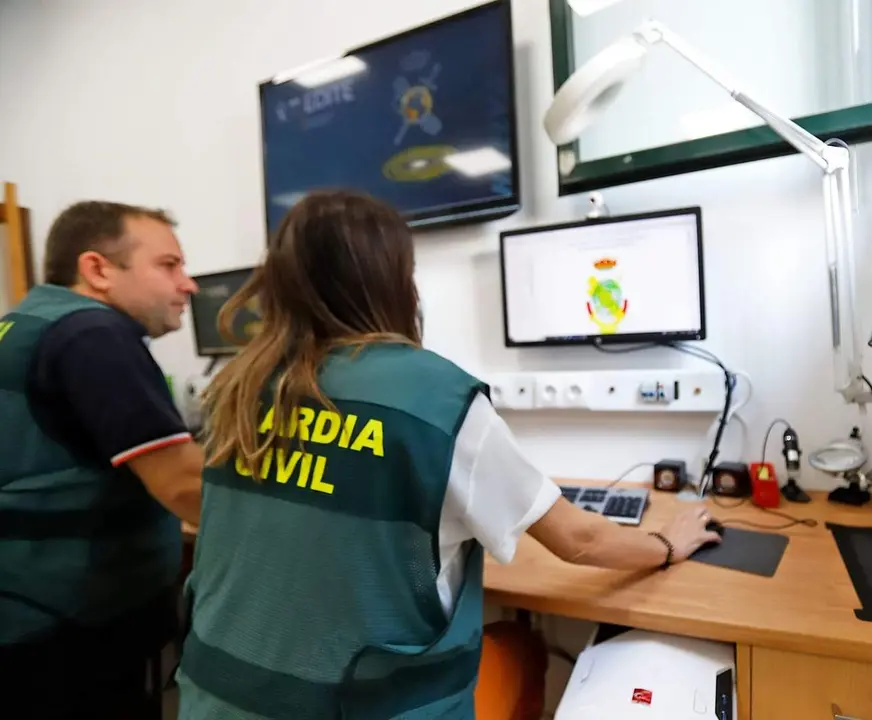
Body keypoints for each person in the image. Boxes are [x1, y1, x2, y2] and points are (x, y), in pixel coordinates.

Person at [177, 190, 721, 720]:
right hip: (354, 706)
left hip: (214, 697)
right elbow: (578, 541)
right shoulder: (433, 396)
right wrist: (668, 544)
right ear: (394, 280)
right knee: (523, 647)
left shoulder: (237, 388)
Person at [0, 201, 204, 718]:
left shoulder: (22, 324)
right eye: (169, 265)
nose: (189, 285)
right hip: (66, 624)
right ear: (97, 270)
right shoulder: (92, 334)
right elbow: (186, 487)